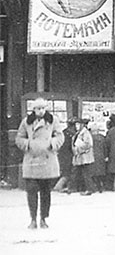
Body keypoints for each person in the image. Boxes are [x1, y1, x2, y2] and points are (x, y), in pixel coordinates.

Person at [15, 98, 64, 229]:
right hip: (32, 161)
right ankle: (33, 219)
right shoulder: (26, 122)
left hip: (47, 160)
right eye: (38, 109)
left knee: (45, 193)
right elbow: (19, 138)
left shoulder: (53, 120)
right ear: (34, 110)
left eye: (43, 108)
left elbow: (60, 136)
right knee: (31, 192)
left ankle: (43, 219)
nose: (41, 111)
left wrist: (52, 143)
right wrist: (28, 144)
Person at [71, 118, 95, 195]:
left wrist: (78, 149)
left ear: (82, 125)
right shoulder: (78, 133)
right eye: (76, 124)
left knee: (86, 173)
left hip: (85, 156)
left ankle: (89, 189)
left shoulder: (85, 133)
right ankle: (74, 188)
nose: (76, 126)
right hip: (79, 156)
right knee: (77, 172)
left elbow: (88, 144)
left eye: (78, 124)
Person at [53, 117, 76, 192]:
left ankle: (60, 186)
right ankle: (58, 187)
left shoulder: (63, 132)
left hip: (62, 154)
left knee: (65, 172)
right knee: (67, 173)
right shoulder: (72, 134)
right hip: (68, 155)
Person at [90, 122, 107, 193]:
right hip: (101, 156)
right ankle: (100, 187)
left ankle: (94, 186)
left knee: (93, 172)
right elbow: (105, 148)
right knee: (100, 172)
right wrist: (105, 155)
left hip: (92, 156)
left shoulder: (90, 138)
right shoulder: (102, 137)